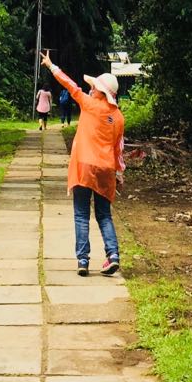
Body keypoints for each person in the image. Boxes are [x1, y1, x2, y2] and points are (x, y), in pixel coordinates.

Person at [40, 51, 124, 276]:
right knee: (104, 214)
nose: (91, 88)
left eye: (94, 87)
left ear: (98, 91)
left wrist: (51, 65)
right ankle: (112, 255)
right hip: (106, 169)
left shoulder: (89, 104)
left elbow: (70, 85)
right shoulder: (118, 117)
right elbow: (119, 148)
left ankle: (83, 260)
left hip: (84, 167)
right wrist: (120, 173)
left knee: (80, 214)